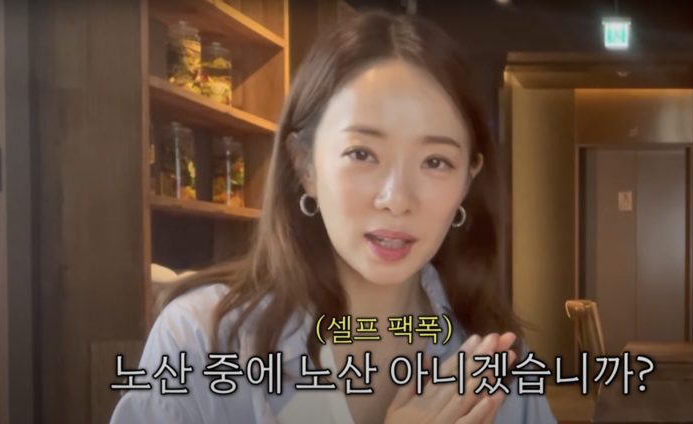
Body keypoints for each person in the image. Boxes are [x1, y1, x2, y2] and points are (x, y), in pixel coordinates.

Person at [111, 10, 557, 424]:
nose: (396, 199)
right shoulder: (200, 340)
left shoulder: (493, 359)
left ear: (467, 181)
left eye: (435, 161)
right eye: (362, 154)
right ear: (305, 166)